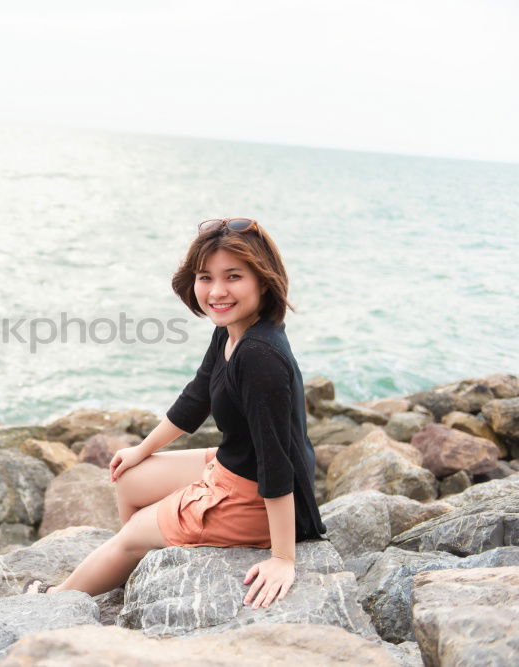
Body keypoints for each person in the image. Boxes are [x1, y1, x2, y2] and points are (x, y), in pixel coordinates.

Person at [23, 217, 327, 610]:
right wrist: (141, 449)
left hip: (255, 498)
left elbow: (276, 461)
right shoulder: (232, 329)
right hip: (231, 467)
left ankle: (56, 600)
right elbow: (197, 396)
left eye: (233, 277)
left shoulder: (259, 357)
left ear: (263, 280)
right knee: (129, 477)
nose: (217, 291)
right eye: (206, 277)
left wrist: (283, 558)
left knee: (131, 533)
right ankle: (140, 556)